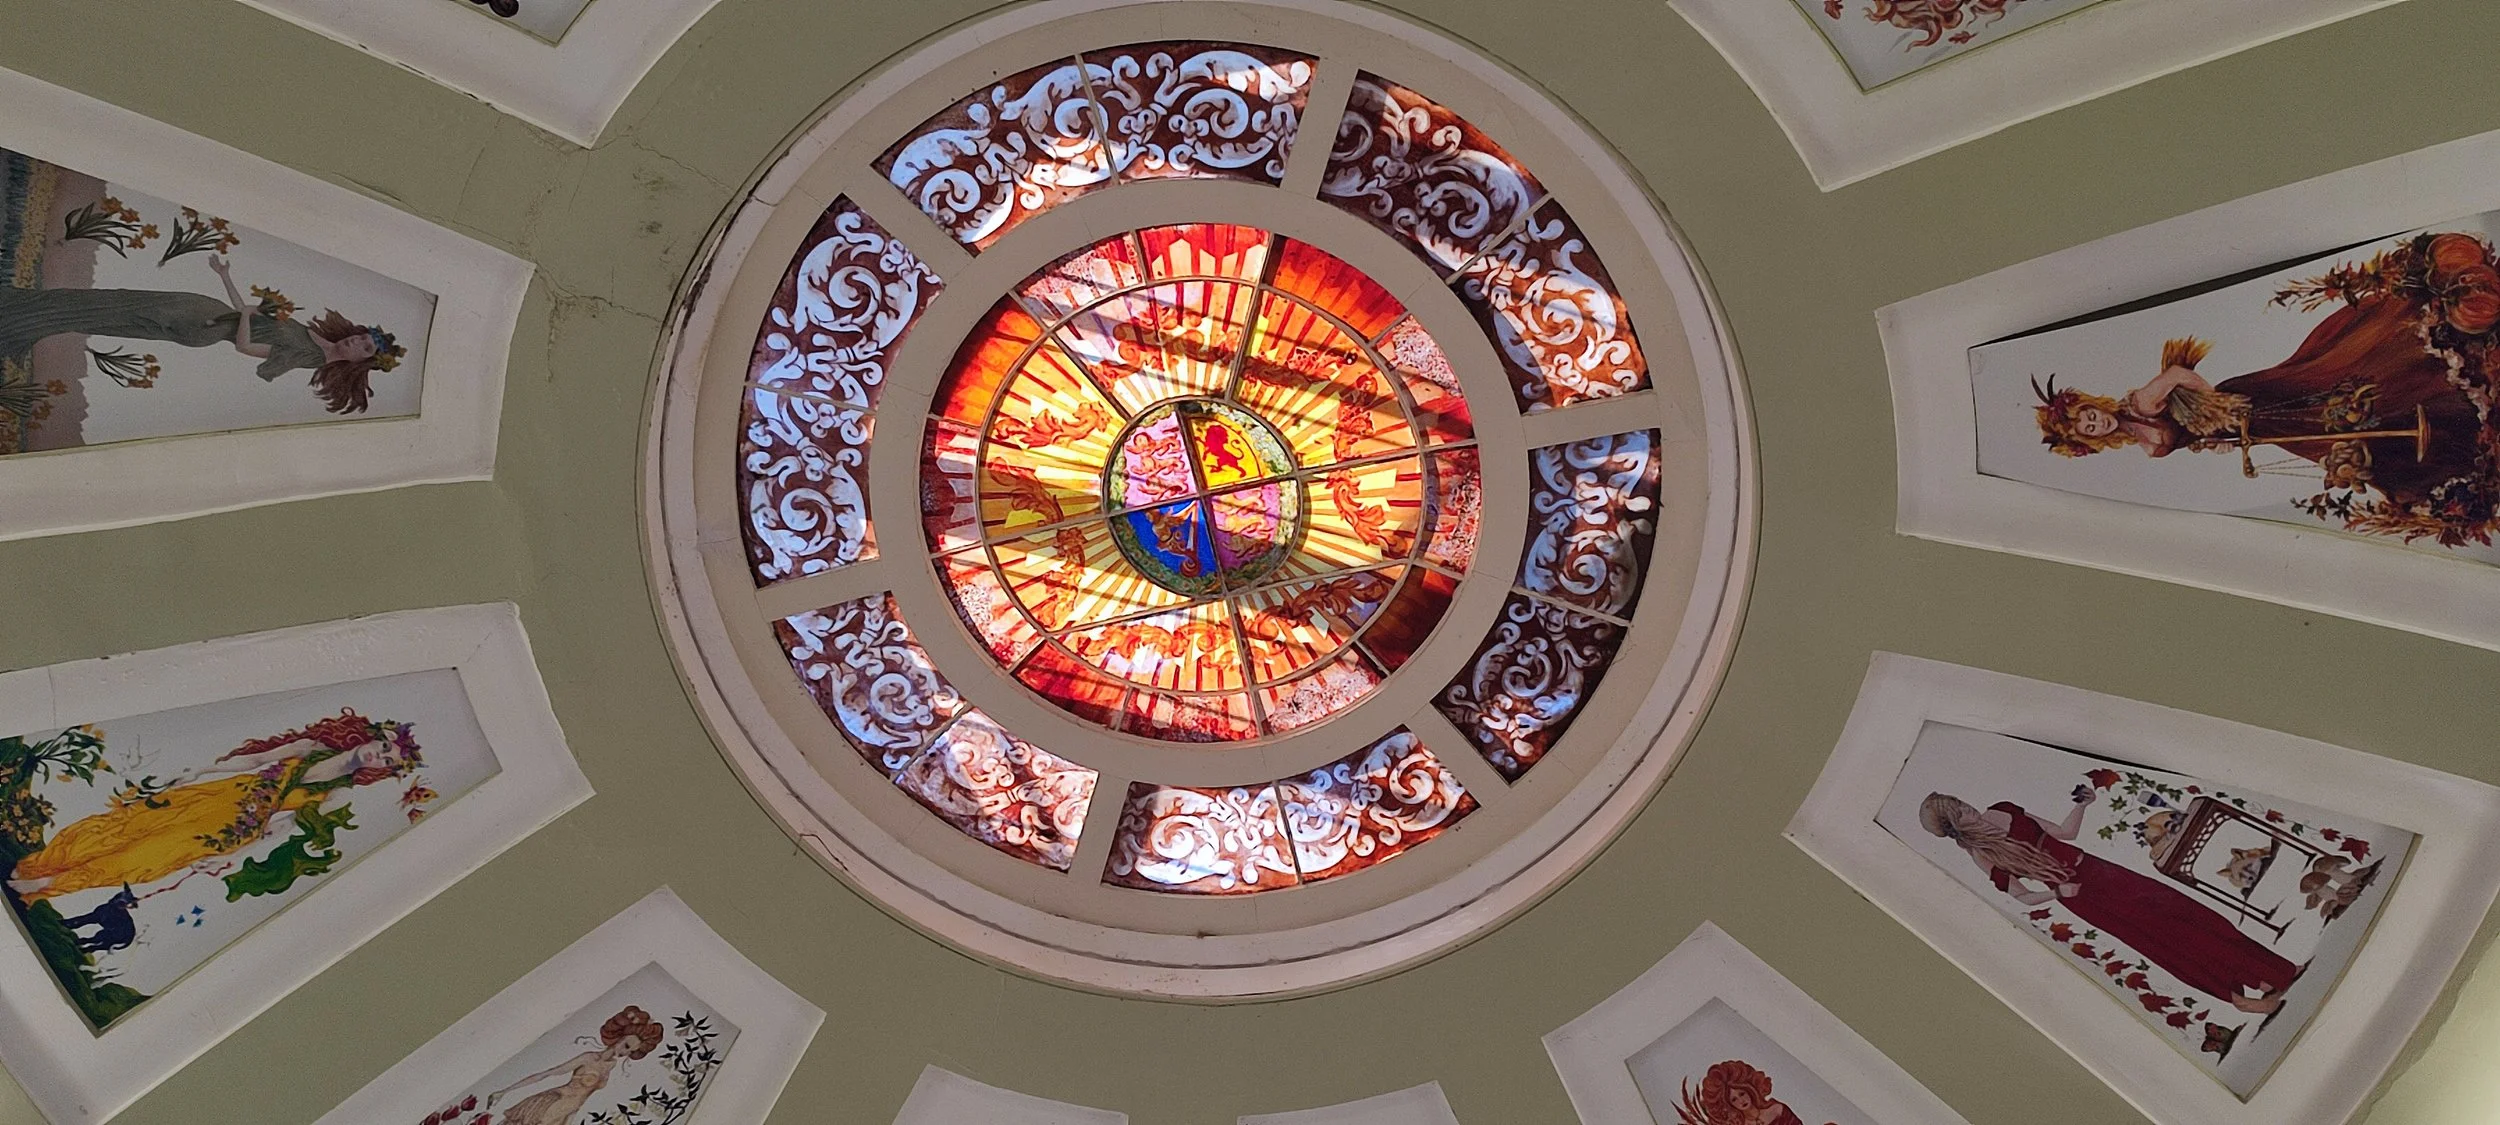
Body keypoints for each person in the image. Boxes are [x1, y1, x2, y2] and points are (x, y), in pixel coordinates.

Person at [1921, 791, 2302, 1014]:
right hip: (2086, 897)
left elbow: (2063, 832)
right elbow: (2021, 895)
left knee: (2189, 913)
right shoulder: (1982, 854)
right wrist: (2055, 894)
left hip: (2101, 870)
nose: (1968, 807)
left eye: (1961, 802)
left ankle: (2270, 972)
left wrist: (2083, 805)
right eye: (1959, 811)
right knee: (2166, 942)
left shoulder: (2003, 809)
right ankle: (2240, 998)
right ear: (1956, 825)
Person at [6, 710, 422, 902]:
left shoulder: (340, 792)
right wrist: (199, 770)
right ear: (368, 735)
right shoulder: (311, 747)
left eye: (387, 760)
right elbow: (256, 761)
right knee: (123, 827)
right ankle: (48, 864)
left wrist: (233, 858)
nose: (378, 756)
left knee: (146, 855)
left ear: (384, 771)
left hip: (231, 829)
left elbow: (284, 827)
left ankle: (49, 887)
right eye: (381, 746)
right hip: (213, 796)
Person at [0, 254, 402, 413]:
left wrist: (245, 313)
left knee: (113, 310)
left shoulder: (308, 358)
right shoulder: (313, 337)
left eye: (363, 347)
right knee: (115, 305)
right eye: (361, 335)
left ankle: (19, 319)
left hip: (200, 325)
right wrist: (226, 277)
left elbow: (244, 343)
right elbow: (241, 312)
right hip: (206, 308)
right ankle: (25, 310)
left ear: (359, 361)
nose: (355, 342)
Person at [484, 1006, 666, 1125]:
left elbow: (581, 1101)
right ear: (618, 1038)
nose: (625, 1052)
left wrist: (569, 1121)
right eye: (626, 1045)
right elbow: (548, 1074)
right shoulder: (589, 1058)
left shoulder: (611, 1067)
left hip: (563, 1115)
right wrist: (505, 1091)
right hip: (550, 1104)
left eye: (630, 1051)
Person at [1674, 1059, 1826, 1125]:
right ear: (1729, 1105)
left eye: (1741, 1094)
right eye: (1734, 1100)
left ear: (1750, 1090)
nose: (1741, 1101)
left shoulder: (1777, 1109)